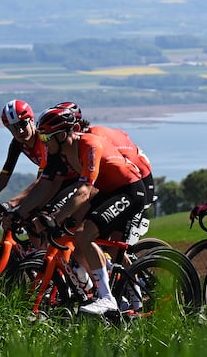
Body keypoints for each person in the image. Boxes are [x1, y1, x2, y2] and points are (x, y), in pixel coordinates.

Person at [16, 105, 149, 315]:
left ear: (61, 135)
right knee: (76, 238)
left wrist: (55, 219)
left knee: (86, 234)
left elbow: (84, 191)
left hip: (129, 191)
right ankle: (113, 286)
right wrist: (19, 213)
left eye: (45, 138)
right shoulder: (57, 152)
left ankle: (107, 298)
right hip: (106, 191)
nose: (43, 143)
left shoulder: (89, 145)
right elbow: (44, 186)